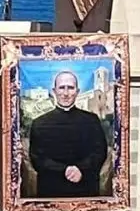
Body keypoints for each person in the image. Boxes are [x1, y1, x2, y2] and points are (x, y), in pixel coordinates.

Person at [27, 70, 109, 198]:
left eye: (70, 88)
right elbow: (38, 159)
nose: (65, 93)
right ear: (54, 91)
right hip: (51, 192)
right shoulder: (39, 123)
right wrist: (64, 170)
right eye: (62, 88)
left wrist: (80, 169)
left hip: (85, 190)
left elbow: (99, 153)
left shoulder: (91, 120)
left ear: (77, 91)